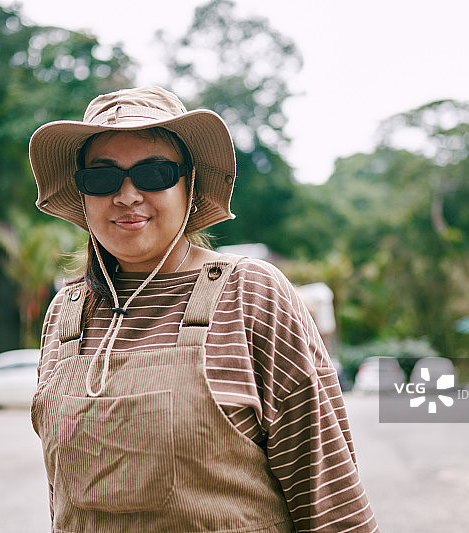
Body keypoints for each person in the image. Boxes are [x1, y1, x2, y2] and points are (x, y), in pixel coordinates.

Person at [29, 86, 378, 532]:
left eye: (154, 173)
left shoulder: (250, 294)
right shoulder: (66, 312)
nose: (128, 195)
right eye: (102, 178)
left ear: (189, 184)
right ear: (83, 194)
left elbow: (331, 501)